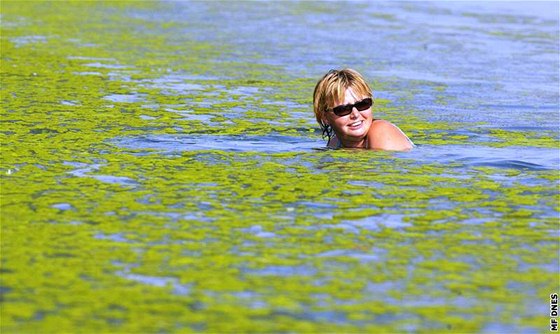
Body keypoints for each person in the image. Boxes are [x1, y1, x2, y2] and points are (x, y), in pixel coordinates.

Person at [313, 68, 414, 151]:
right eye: (343, 109)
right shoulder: (334, 143)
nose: (355, 114)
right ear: (325, 117)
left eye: (362, 104)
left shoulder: (381, 132)